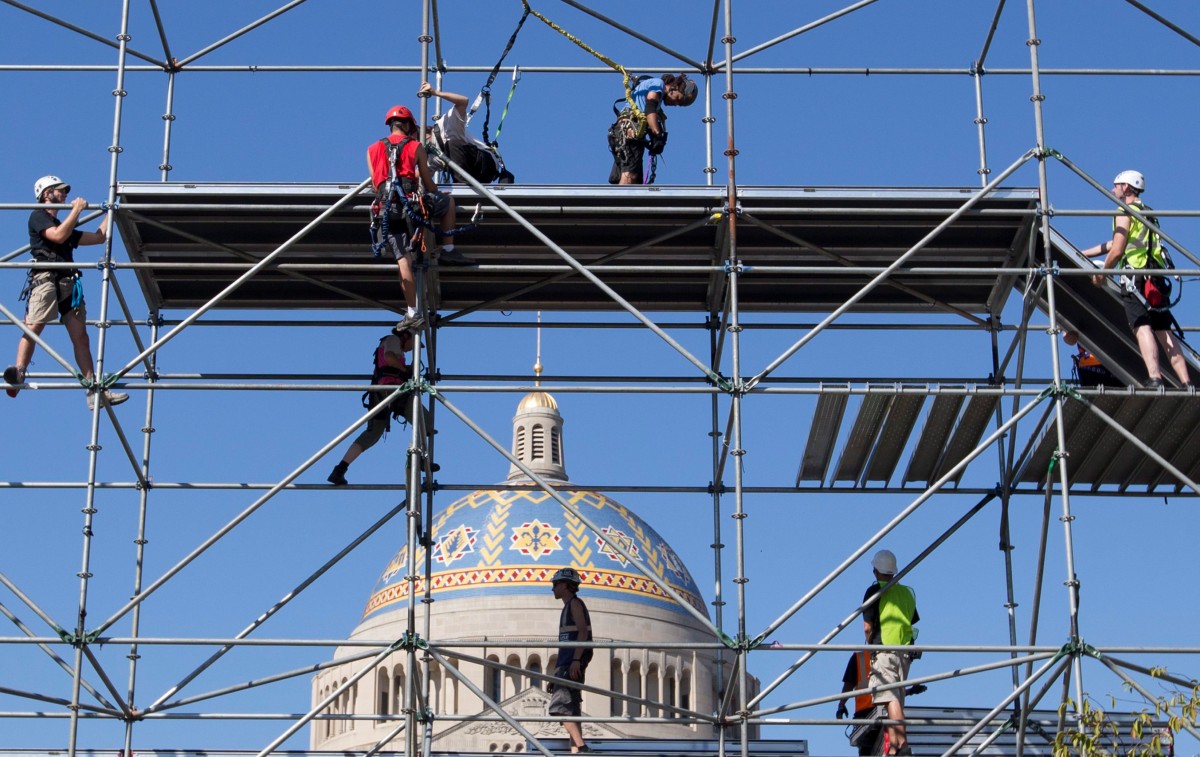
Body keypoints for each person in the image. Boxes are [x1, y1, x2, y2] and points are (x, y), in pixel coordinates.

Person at [5, 175, 128, 410]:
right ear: (46, 194)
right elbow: (57, 236)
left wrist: (109, 212)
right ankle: (19, 372)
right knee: (34, 326)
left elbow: (99, 238)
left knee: (81, 336)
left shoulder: (66, 226)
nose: (64, 195)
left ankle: (93, 389)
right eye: (59, 191)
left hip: (68, 283)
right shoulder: (38, 216)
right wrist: (77, 211)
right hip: (46, 280)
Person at [367, 104, 476, 335]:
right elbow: (428, 184)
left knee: (403, 260)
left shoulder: (372, 149)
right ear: (407, 125)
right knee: (447, 203)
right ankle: (447, 250)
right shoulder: (416, 146)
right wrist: (437, 193)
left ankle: (412, 311)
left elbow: (375, 184)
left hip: (385, 210)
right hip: (410, 207)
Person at [1083, 170, 1191, 389]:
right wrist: (1085, 253)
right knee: (1164, 330)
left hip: (1136, 277)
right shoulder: (1147, 213)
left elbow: (1118, 250)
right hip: (1156, 279)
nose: (1113, 189)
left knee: (1142, 327)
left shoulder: (1123, 212)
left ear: (1126, 187)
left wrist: (1102, 273)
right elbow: (1115, 243)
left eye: (1116, 185)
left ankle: (1155, 378)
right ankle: (1187, 382)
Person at [326, 330, 434, 486]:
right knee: (425, 421)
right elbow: (389, 357)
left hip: (382, 391)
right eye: (413, 343)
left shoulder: (393, 343)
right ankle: (418, 458)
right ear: (406, 336)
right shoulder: (393, 340)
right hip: (393, 390)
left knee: (373, 433)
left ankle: (340, 469)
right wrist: (405, 370)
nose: (412, 349)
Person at [862, 549, 919, 757]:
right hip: (905, 652)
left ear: (876, 570)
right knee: (893, 700)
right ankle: (894, 748)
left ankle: (902, 743)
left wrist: (869, 643)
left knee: (890, 698)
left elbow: (868, 627)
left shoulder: (874, 591)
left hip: (884, 650)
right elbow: (910, 621)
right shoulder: (906, 592)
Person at [607, 73, 698, 185]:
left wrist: (655, 138)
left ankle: (625, 200)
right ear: (675, 87)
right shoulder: (658, 84)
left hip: (626, 132)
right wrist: (657, 135)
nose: (675, 104)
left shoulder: (656, 99)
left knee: (635, 178)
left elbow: (650, 117)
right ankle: (622, 202)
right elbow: (650, 109)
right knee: (630, 175)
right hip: (629, 132)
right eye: (678, 99)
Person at [420, 82, 515, 184]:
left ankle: (460, 185)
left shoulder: (446, 125)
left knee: (452, 143)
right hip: (473, 174)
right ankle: (461, 187)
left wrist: (435, 92)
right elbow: (420, 176)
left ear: (427, 134)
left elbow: (463, 101)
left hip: (485, 164)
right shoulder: (432, 157)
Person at [548, 567, 592, 754]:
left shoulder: (575, 603)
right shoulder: (567, 607)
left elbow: (582, 631)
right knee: (571, 710)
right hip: (566, 663)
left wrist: (576, 660)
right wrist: (555, 676)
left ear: (565, 585)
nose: (553, 589)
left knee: (559, 707)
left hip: (572, 662)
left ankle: (581, 747)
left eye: (555, 584)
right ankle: (576, 751)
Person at [838, 650, 879, 756]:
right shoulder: (889, 654)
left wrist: (841, 705)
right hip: (879, 710)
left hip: (864, 713)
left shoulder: (859, 656)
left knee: (866, 750)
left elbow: (848, 684)